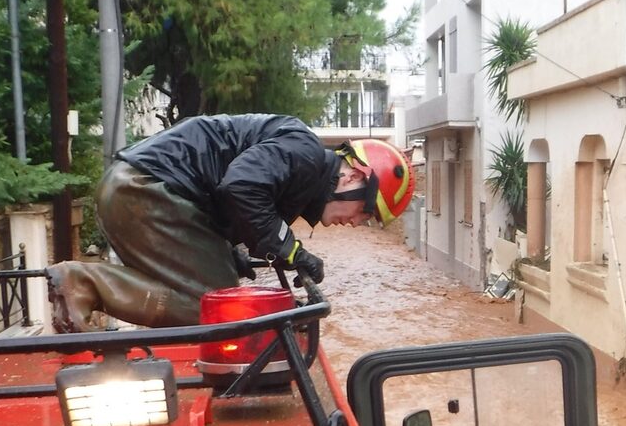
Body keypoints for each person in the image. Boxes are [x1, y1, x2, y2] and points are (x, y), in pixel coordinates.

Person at [47, 113, 414, 331]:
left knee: (220, 294)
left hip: (139, 188)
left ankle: (89, 283)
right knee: (222, 308)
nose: (356, 223)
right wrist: (291, 249)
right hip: (146, 190)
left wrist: (229, 248)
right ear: (353, 178)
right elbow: (241, 185)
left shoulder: (299, 173)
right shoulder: (304, 153)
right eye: (366, 213)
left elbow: (232, 195)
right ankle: (86, 282)